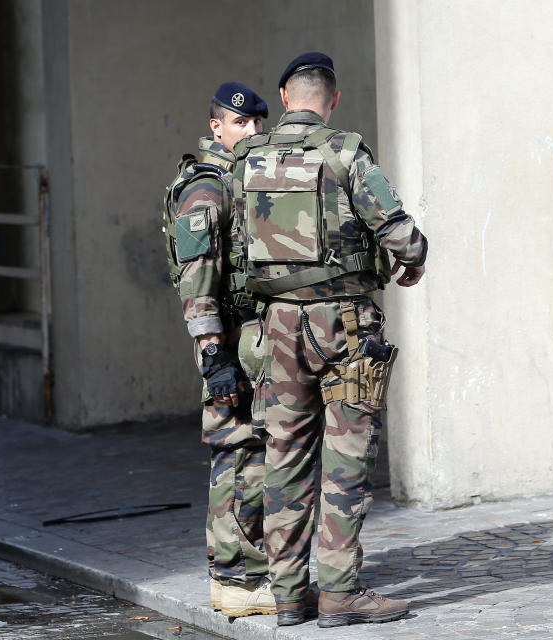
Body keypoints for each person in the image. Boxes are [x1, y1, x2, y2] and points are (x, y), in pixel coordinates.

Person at [229, 53, 427, 627]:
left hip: (275, 330)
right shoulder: (345, 151)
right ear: (332, 100)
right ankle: (339, 594)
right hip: (344, 328)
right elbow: (403, 237)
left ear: (286, 98)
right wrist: (411, 262)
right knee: (346, 459)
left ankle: (289, 594)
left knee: (282, 456)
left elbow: (231, 245)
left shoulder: (245, 159)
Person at [164, 82, 274, 617]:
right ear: (216, 127)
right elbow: (197, 279)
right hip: (228, 342)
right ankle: (235, 580)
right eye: (240, 123)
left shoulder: (240, 179)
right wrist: (215, 358)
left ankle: (247, 570)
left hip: (250, 340)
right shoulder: (206, 189)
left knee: (253, 452)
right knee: (239, 456)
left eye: (258, 123)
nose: (252, 131)